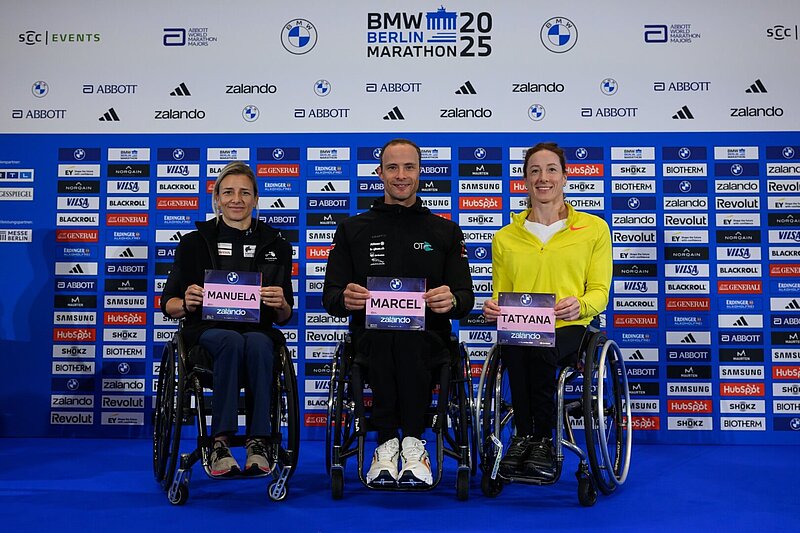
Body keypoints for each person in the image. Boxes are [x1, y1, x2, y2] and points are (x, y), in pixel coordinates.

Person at [323, 138, 475, 488]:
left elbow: (466, 298)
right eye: (392, 167)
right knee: (387, 336)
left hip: (428, 341)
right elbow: (329, 297)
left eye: (409, 167)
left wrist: (450, 300)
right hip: (370, 340)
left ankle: (407, 443)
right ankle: (392, 443)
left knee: (408, 339)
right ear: (379, 173)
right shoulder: (352, 229)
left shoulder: (445, 231)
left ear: (420, 173)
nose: (401, 175)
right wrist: (345, 297)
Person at [482, 142, 611, 480]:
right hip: (522, 325)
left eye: (551, 169)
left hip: (571, 325)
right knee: (514, 345)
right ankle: (526, 438)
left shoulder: (593, 229)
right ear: (525, 180)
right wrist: (494, 308)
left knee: (540, 348)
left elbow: (599, 291)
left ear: (565, 177)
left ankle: (538, 439)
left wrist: (579, 304)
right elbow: (502, 293)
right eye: (535, 171)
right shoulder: (505, 237)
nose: (543, 177)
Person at [161, 161, 294, 478]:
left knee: (261, 343)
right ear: (217, 198)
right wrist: (188, 301)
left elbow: (286, 315)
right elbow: (169, 305)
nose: (237, 199)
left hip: (257, 332)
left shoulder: (276, 244)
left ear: (255, 199)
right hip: (207, 334)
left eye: (245, 192)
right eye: (229, 192)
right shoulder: (193, 243)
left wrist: (280, 303)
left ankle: (258, 441)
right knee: (231, 340)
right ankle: (219, 443)